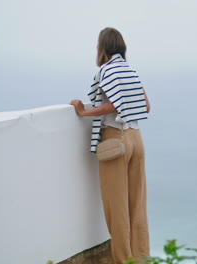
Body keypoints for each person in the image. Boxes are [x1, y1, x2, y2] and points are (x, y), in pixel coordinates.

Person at [69, 27, 151, 264]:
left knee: (117, 209)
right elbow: (145, 106)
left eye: (97, 43)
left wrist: (84, 112)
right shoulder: (130, 71)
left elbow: (113, 105)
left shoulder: (107, 71)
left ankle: (123, 261)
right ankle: (142, 258)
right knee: (137, 205)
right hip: (137, 138)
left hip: (116, 140)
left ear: (102, 46)